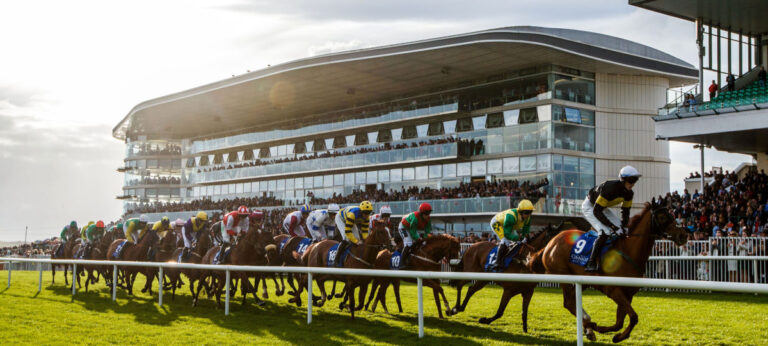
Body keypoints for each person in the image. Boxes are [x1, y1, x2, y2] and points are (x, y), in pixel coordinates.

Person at [581, 165, 640, 272]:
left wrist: (624, 225)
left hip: (601, 208)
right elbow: (596, 211)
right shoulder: (610, 188)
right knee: (605, 232)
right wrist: (613, 226)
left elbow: (625, 212)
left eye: (635, 180)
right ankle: (591, 262)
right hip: (590, 206)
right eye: (631, 180)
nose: (633, 184)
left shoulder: (629, 193)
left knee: (622, 231)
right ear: (623, 180)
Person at [488, 200, 534, 271]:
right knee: (505, 241)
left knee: (520, 241)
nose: (528, 215)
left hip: (510, 226)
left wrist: (524, 237)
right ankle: (497, 262)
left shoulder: (528, 218)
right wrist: (517, 238)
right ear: (520, 212)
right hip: (497, 223)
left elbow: (526, 230)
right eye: (526, 213)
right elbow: (507, 234)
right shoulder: (511, 216)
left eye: (530, 212)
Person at [331, 201, 373, 266]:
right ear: (361, 211)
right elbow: (348, 231)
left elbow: (364, 231)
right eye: (365, 213)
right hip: (340, 218)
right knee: (346, 238)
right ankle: (336, 259)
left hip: (350, 220)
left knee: (358, 238)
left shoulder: (367, 218)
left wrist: (365, 240)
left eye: (368, 213)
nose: (366, 215)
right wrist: (356, 241)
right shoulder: (352, 214)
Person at [398, 203, 433, 268]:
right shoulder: (415, 219)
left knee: (420, 242)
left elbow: (427, 231)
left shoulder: (428, 219)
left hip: (412, 228)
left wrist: (425, 239)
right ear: (421, 213)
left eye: (428, 214)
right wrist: (419, 239)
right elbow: (412, 232)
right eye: (426, 214)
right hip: (403, 227)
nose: (427, 216)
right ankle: (401, 263)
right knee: (408, 243)